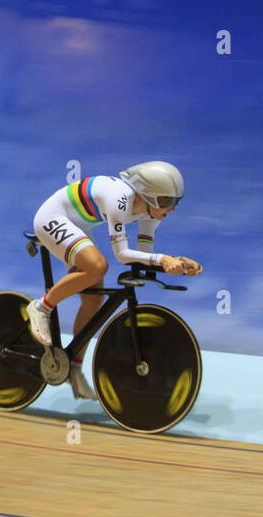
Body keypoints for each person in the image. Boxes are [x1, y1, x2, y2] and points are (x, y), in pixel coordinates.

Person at [25, 161, 203, 400]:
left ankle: (74, 370)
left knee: (93, 299)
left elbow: (140, 259)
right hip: (52, 218)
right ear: (151, 197)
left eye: (176, 202)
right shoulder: (120, 199)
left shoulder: (151, 212)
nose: (172, 210)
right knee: (98, 266)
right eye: (168, 202)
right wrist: (162, 259)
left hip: (77, 225)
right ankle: (41, 308)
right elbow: (122, 255)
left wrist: (178, 264)